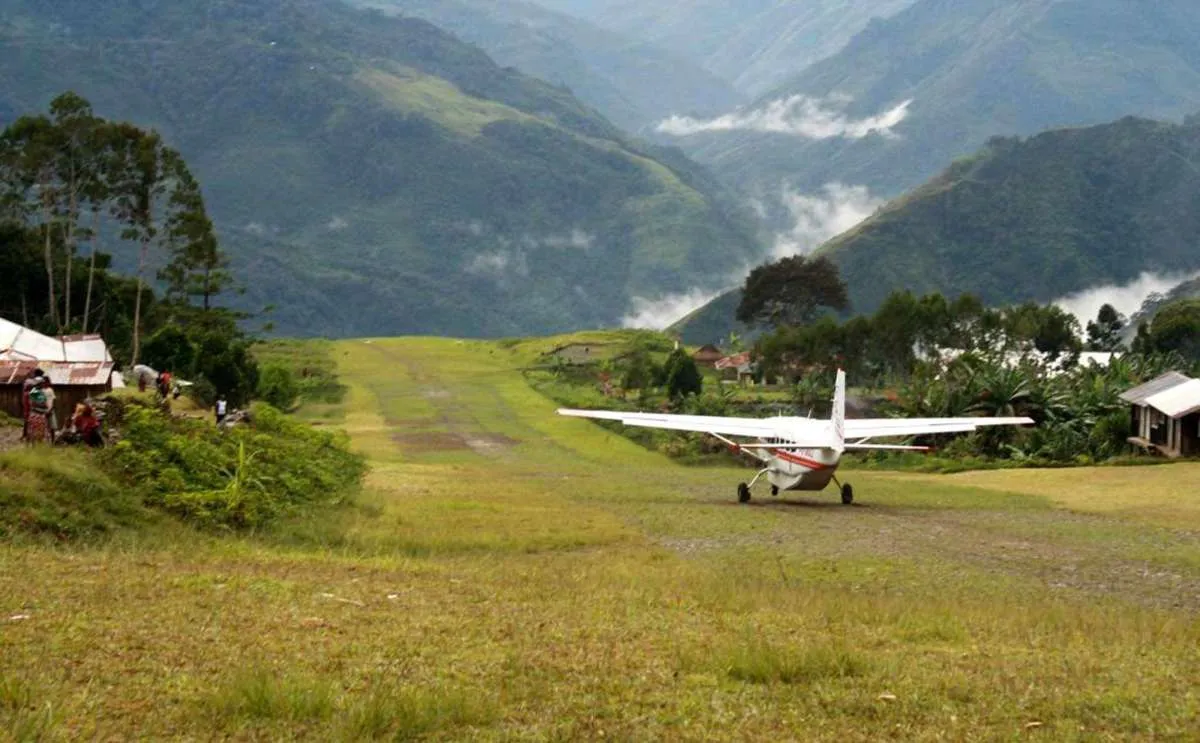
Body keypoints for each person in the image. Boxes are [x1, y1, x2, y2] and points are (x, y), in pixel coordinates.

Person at [26, 379, 51, 445]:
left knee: (39, 432)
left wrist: (44, 405)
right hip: (37, 414)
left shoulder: (39, 392)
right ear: (39, 384)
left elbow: (43, 403)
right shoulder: (35, 392)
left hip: (39, 414)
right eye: (42, 383)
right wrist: (43, 405)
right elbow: (35, 403)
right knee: (35, 432)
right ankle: (35, 446)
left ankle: (37, 446)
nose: (43, 385)